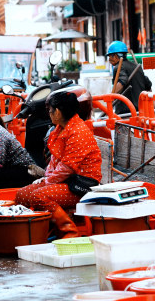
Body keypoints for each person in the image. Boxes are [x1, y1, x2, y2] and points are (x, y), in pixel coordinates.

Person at [16, 91, 102, 239]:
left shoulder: (78, 131)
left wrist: (47, 182)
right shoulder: (60, 128)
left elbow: (66, 168)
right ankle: (37, 233)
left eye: (50, 110)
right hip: (65, 181)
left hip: (81, 185)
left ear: (58, 112)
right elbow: (55, 161)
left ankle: (69, 231)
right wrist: (45, 178)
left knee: (38, 196)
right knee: (22, 195)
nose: (49, 113)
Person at [107, 41, 151, 116]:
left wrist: (111, 96)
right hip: (140, 109)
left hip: (125, 111)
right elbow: (148, 84)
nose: (109, 59)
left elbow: (122, 81)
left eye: (110, 56)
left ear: (116, 56)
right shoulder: (136, 66)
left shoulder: (119, 67)